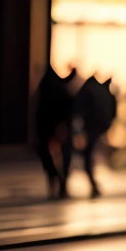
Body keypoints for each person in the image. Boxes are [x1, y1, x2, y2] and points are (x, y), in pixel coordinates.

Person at [73, 73, 117, 198]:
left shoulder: (88, 89)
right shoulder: (103, 92)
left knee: (88, 155)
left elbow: (79, 108)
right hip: (99, 128)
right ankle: (93, 181)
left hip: (91, 127)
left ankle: (92, 180)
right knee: (91, 154)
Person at [34, 65, 76, 198]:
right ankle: (60, 180)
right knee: (63, 155)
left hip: (49, 126)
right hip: (58, 125)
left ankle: (56, 178)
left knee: (49, 154)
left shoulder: (46, 87)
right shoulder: (58, 87)